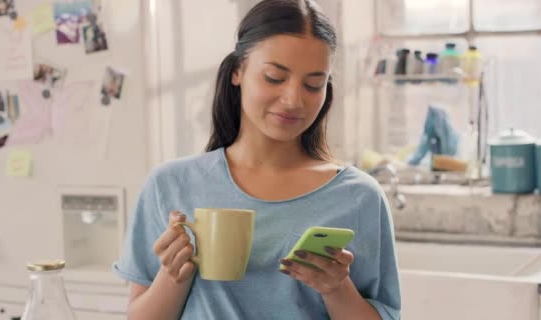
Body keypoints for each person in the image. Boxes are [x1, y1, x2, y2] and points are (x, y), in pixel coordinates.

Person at [112, 0, 401, 319]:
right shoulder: (169, 185)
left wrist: (336, 288)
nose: (293, 100)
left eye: (313, 84)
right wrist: (174, 276)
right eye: (275, 78)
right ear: (238, 71)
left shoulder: (359, 196)